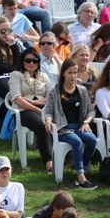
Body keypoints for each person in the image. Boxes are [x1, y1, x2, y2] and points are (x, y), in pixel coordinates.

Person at [43, 59, 98, 189]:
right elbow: (49, 110)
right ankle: (81, 178)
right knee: (77, 141)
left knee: (92, 140)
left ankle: (81, 167)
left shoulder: (82, 90)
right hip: (63, 129)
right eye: (70, 73)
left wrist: (86, 122)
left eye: (75, 73)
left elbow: (91, 110)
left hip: (79, 126)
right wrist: (48, 120)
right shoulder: (55, 92)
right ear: (63, 74)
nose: (73, 76)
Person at [8, 47, 53, 174]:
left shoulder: (43, 76)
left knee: (58, 123)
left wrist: (36, 102)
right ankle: (49, 163)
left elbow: (50, 96)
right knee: (42, 125)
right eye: (28, 60)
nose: (32, 63)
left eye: (35, 60)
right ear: (22, 61)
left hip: (43, 107)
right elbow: (16, 98)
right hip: (23, 110)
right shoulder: (16, 75)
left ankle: (65, 156)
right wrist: (37, 109)